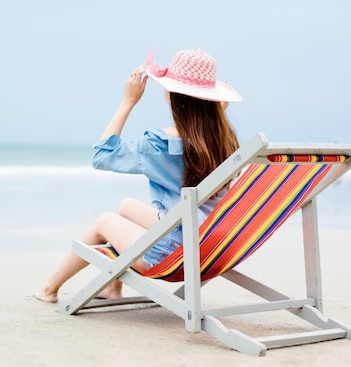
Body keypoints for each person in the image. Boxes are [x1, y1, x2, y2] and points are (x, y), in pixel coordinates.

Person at [35, 48, 242, 303]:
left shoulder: (161, 144)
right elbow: (206, 126)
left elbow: (102, 156)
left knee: (104, 221)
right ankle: (113, 287)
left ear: (173, 96)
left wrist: (128, 101)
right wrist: (217, 112)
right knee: (127, 206)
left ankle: (48, 290)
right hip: (210, 243)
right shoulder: (226, 141)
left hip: (173, 254)